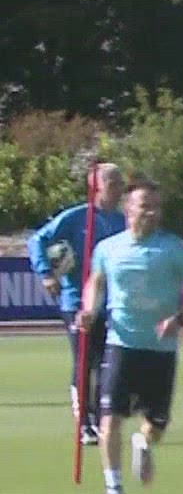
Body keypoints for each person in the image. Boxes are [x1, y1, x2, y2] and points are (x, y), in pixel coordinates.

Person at [75, 179, 183, 494]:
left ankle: (144, 442)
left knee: (157, 424)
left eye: (156, 207)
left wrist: (181, 316)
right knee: (109, 419)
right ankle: (114, 490)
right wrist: (89, 310)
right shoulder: (108, 248)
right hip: (120, 344)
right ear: (128, 208)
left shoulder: (172, 249)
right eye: (145, 206)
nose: (152, 213)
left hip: (160, 349)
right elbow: (95, 283)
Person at [27, 163, 128, 445]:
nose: (119, 189)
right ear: (97, 186)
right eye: (114, 183)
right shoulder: (76, 217)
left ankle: (101, 418)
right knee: (85, 361)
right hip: (78, 301)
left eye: (121, 183)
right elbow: (37, 240)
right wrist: (46, 274)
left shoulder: (122, 221)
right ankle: (84, 422)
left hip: (113, 303)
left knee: (108, 362)